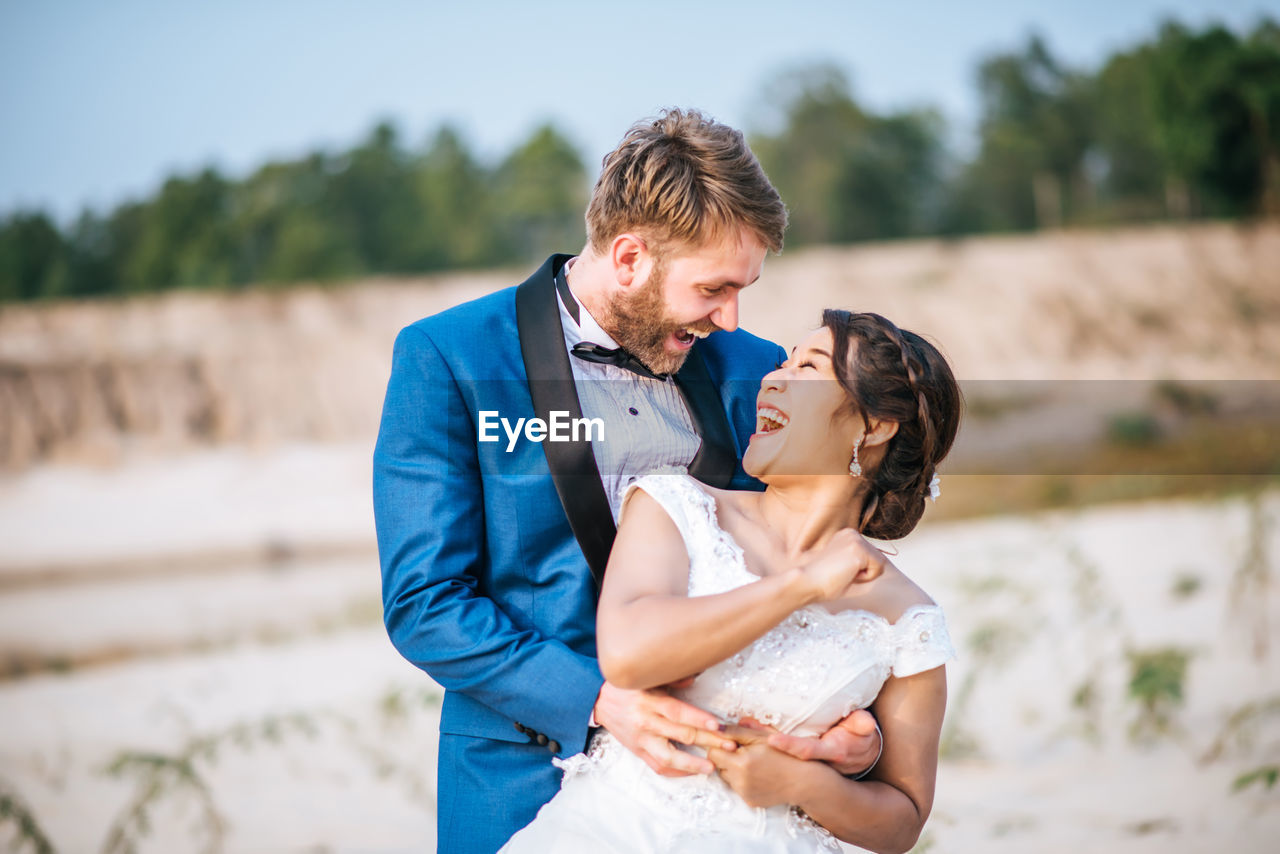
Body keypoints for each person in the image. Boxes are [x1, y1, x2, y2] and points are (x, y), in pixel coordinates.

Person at [372, 110, 881, 854]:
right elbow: (425, 603)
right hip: (521, 777)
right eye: (713, 288)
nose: (731, 318)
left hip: (721, 797)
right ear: (631, 256)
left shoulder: (752, 368)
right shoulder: (446, 358)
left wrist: (850, 723)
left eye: (743, 289)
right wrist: (601, 702)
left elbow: (811, 540)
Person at [500, 309, 961, 853]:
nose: (772, 377)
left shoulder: (909, 617)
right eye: (782, 362)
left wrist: (800, 783)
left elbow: (903, 820)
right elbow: (627, 653)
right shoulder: (678, 505)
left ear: (875, 425)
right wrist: (802, 585)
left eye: (807, 368)